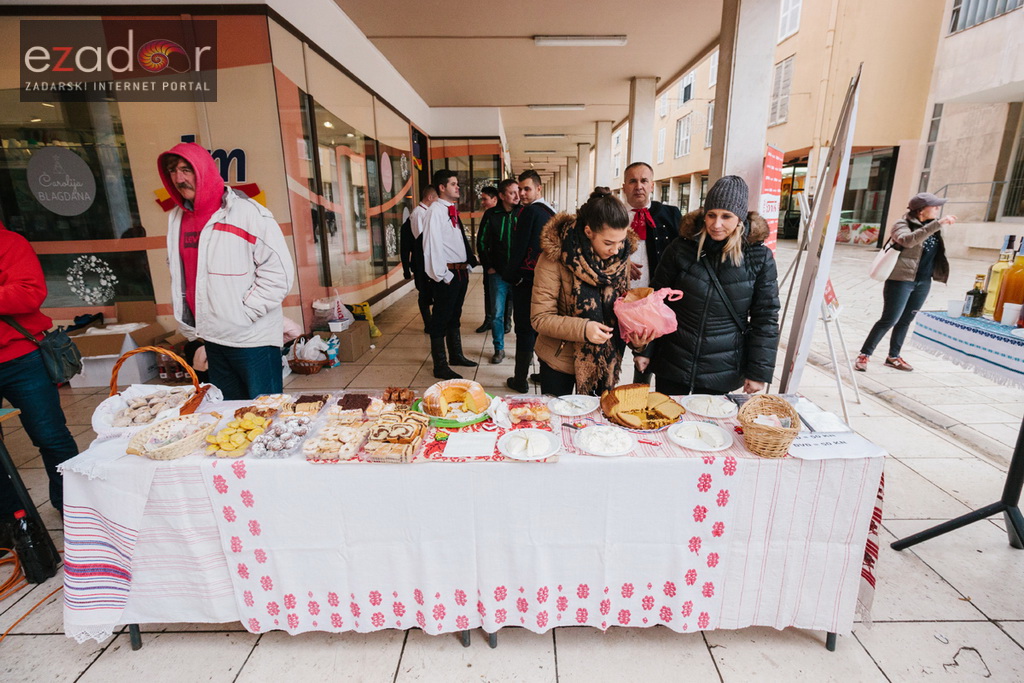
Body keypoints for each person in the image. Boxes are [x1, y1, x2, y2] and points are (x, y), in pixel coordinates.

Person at [159, 142, 295, 400]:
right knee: (227, 413)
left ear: (204, 171)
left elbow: (279, 274)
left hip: (252, 339)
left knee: (264, 413)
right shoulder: (176, 218)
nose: (179, 178)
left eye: (186, 169)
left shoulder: (249, 214)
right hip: (210, 337)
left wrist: (243, 314)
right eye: (172, 171)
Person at [637, 175, 780, 395]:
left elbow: (766, 317)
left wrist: (758, 372)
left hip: (722, 368)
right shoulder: (680, 249)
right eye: (711, 215)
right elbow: (656, 302)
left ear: (740, 218)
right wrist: (646, 350)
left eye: (726, 216)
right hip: (673, 361)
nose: (716, 224)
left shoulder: (759, 258)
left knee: (710, 427)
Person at [532, 190, 655, 396]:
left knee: (596, 422)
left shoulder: (620, 258)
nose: (616, 250)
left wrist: (638, 339)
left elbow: (621, 308)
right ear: (589, 232)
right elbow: (540, 318)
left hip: (605, 362)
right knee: (558, 418)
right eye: (608, 243)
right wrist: (584, 329)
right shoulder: (554, 258)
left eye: (621, 241)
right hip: (559, 359)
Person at [0, 221, 79, 526]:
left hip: (22, 359)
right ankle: (13, 518)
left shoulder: (10, 242)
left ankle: (71, 504)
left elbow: (29, 294)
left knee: (51, 436)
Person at [855, 194, 957, 372]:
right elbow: (907, 241)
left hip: (923, 282)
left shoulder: (932, 227)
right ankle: (864, 354)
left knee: (905, 320)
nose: (938, 209)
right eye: (935, 206)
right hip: (901, 280)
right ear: (921, 210)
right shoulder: (902, 225)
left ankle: (893, 357)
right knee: (889, 319)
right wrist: (938, 224)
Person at [621, 161, 683, 383]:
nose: (639, 186)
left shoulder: (669, 215)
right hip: (618, 301)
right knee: (611, 356)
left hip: (653, 302)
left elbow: (682, 254)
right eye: (633, 181)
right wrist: (621, 263)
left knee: (645, 360)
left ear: (652, 185)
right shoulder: (613, 216)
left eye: (644, 180)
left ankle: (639, 402)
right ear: (624, 186)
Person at [423, 169, 479, 379]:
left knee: (454, 316)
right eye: (454, 184)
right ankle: (440, 365)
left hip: (460, 271)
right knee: (440, 319)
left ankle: (456, 355)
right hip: (447, 275)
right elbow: (431, 246)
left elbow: (455, 242)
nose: (458, 187)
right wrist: (442, 275)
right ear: (442, 187)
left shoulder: (450, 209)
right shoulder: (435, 211)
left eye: (457, 184)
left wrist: (467, 265)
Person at [503, 170, 555, 393]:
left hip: (526, 281)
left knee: (525, 329)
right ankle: (544, 374)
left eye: (527, 189)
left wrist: (510, 276)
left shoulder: (529, 212)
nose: (522, 193)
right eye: (520, 189)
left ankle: (520, 379)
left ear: (538, 188)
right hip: (548, 282)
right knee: (543, 329)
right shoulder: (551, 212)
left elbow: (519, 248)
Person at [477, 179, 520, 364]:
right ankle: (499, 349)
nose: (517, 196)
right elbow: (481, 242)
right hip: (498, 274)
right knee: (496, 313)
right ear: (502, 196)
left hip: (520, 275)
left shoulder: (524, 213)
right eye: (512, 193)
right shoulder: (491, 214)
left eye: (518, 192)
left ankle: (522, 351)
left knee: (522, 316)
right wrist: (489, 267)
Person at [403, 185, 438, 333]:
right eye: (436, 198)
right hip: (422, 263)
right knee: (424, 294)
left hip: (429, 261)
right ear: (430, 197)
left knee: (433, 293)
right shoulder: (418, 214)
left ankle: (434, 321)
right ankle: (428, 324)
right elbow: (421, 241)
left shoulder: (427, 212)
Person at [474, 186, 502, 334]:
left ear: (495, 199)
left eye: (485, 199)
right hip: (490, 264)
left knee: (506, 294)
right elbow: (481, 241)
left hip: (503, 264)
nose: (483, 202)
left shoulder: (504, 214)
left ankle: (506, 323)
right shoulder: (488, 214)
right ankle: (489, 320)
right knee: (488, 292)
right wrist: (487, 264)